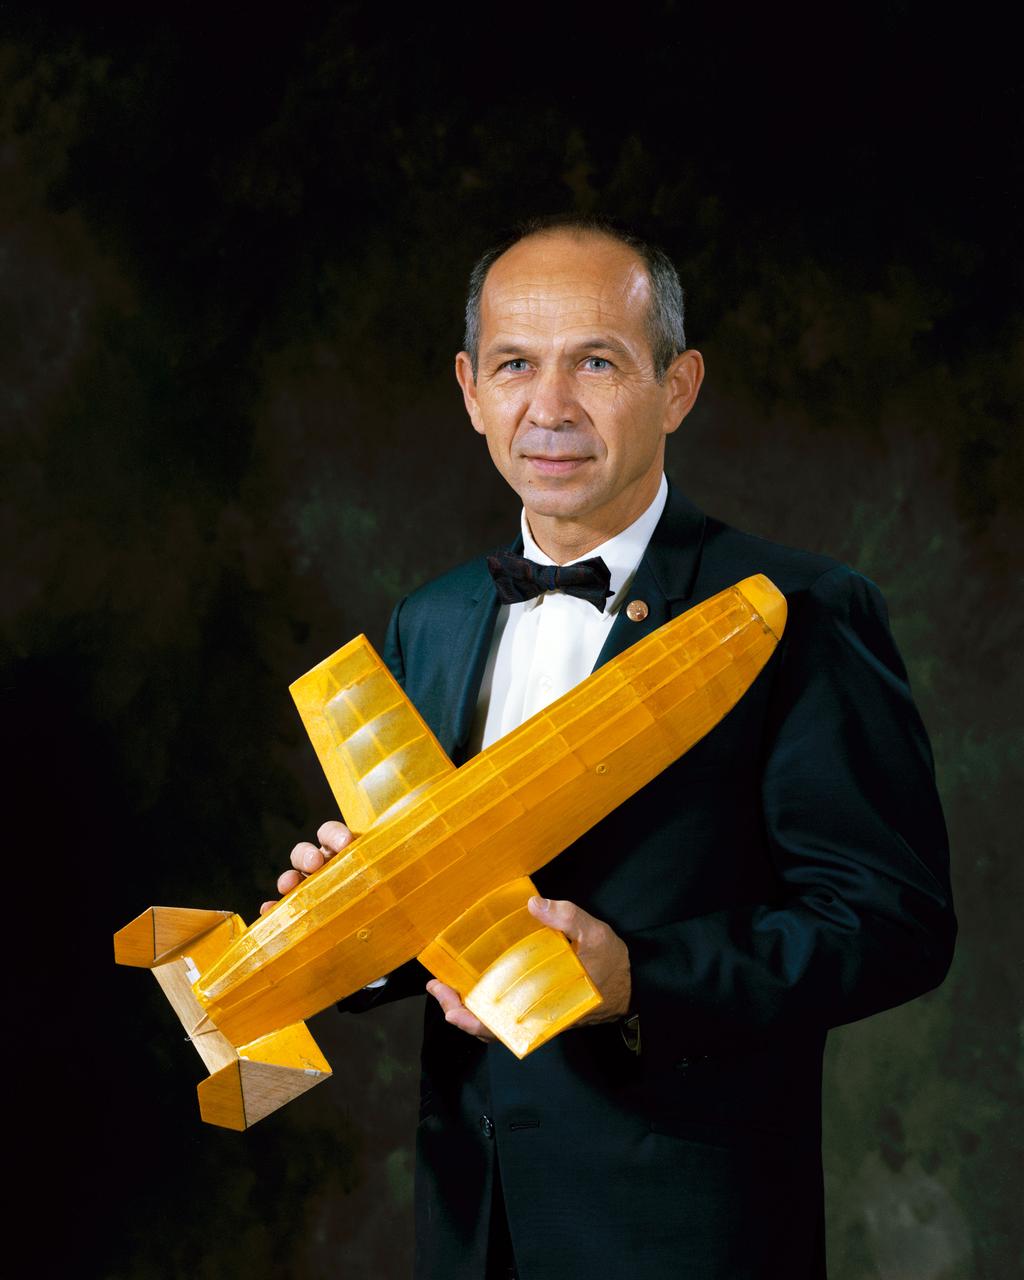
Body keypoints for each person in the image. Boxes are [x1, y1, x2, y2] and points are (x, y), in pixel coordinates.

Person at [263, 216, 956, 1279]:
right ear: (467, 389)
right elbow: (452, 897)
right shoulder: (430, 619)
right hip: (470, 1218)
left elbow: (892, 923)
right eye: (513, 365)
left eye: (597, 361)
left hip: (685, 1225)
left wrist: (636, 976)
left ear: (676, 386)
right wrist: (356, 916)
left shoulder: (803, 610)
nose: (550, 408)